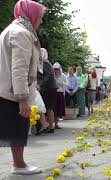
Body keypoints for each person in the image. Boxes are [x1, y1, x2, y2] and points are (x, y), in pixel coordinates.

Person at [0, 0, 45, 175]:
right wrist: (22, 98)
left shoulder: (13, 30)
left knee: (14, 129)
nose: (41, 21)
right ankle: (19, 165)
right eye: (40, 17)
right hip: (13, 92)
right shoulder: (22, 33)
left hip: (6, 90)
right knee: (17, 128)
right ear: (31, 14)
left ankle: (19, 163)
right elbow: (19, 68)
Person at [37, 48, 58, 133]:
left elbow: (48, 75)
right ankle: (50, 127)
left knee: (48, 108)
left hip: (49, 88)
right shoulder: (46, 62)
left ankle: (49, 127)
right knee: (49, 108)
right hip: (51, 87)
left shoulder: (45, 62)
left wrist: (40, 84)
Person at [53, 62, 68, 128]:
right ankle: (50, 123)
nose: (56, 70)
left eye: (57, 69)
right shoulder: (52, 75)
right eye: (55, 69)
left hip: (60, 93)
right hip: (53, 93)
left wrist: (61, 83)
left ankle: (56, 124)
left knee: (58, 109)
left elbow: (67, 83)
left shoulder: (63, 75)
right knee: (53, 109)